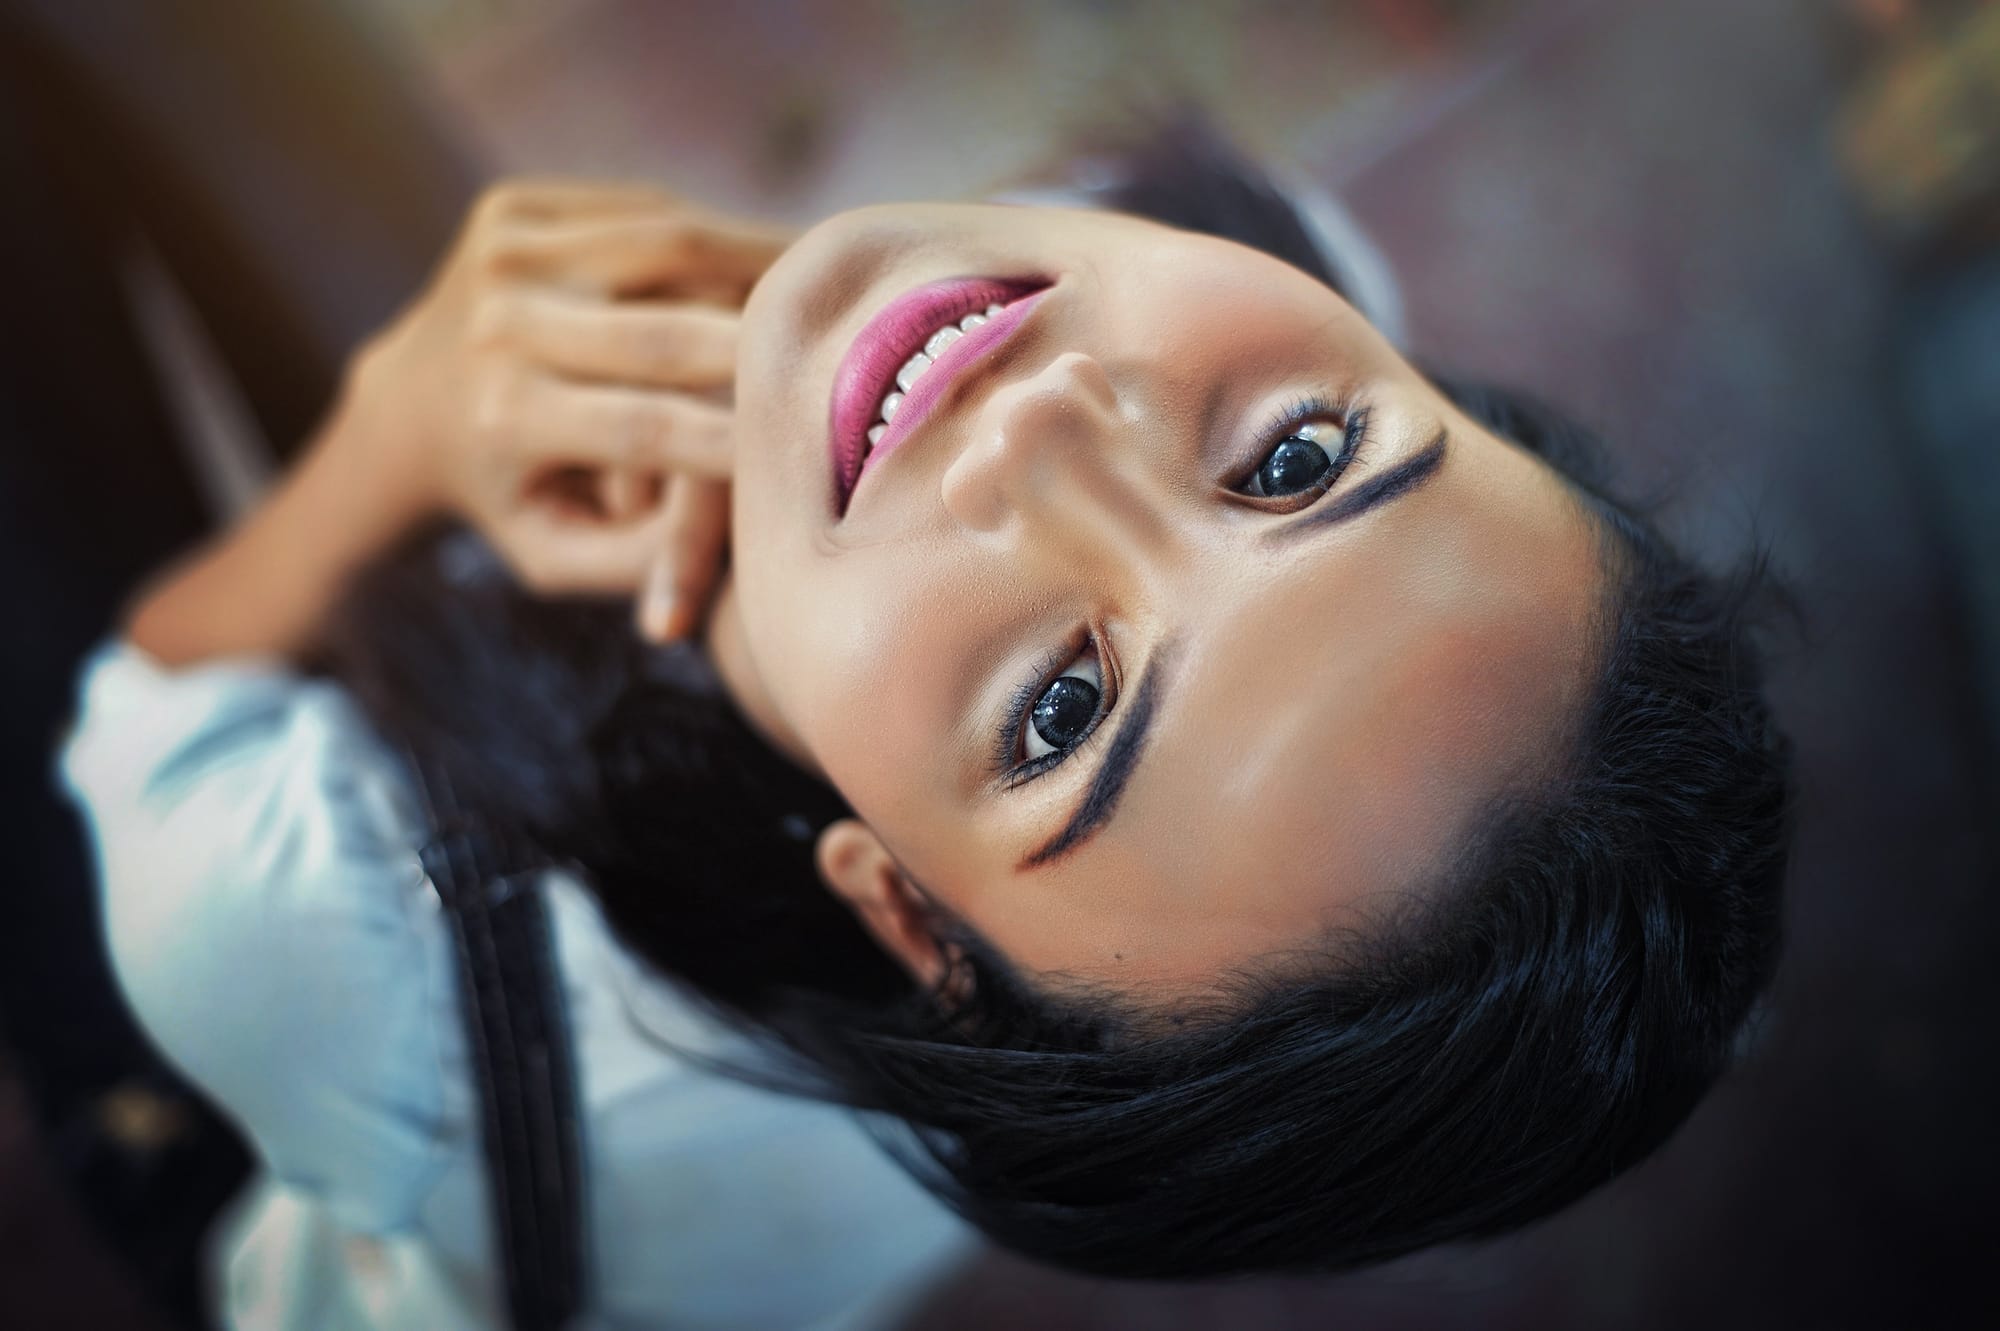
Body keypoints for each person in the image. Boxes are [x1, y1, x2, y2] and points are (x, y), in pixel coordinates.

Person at [60, 121, 1791, 1325]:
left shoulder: (353, 972)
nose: (1041, 427)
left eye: (1065, 712)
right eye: (1297, 463)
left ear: (902, 910)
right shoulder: (1293, 264)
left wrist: (393, 434)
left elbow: (146, 700)